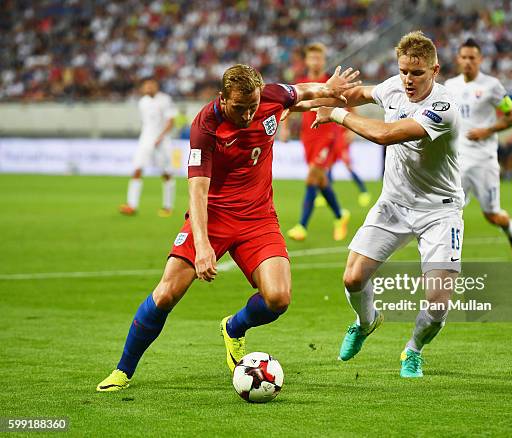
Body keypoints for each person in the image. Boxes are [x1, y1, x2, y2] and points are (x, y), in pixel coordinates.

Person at [97, 64, 360, 391]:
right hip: (213, 215)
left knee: (278, 298)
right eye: (239, 107)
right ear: (222, 98)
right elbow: (197, 190)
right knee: (166, 294)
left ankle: (234, 328)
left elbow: (299, 94)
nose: (248, 115)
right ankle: (123, 370)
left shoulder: (270, 97)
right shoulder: (205, 126)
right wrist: (204, 246)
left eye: (253, 106)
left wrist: (326, 88)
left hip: (258, 217)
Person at [306, 31, 464, 378]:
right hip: (394, 202)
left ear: (435, 70)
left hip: (440, 211)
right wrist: (325, 92)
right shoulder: (395, 85)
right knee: (352, 277)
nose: (409, 79)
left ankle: (413, 350)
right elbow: (360, 93)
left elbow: (386, 134)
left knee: (438, 303)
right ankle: (366, 322)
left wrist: (334, 114)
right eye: (404, 70)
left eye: (418, 73)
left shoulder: (445, 107)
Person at [445, 39, 512, 265]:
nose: (468, 62)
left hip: (484, 160)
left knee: (492, 214)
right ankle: (447, 261)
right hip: (458, 160)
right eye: (464, 57)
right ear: (458, 59)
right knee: (449, 210)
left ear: (480, 60)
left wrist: (487, 130)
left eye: (473, 57)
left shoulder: (492, 86)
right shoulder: (450, 86)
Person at [283, 43, 352, 242]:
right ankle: (340, 215)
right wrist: (285, 128)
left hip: (327, 136)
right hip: (308, 137)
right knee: (321, 180)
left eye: (318, 58)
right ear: (306, 61)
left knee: (312, 177)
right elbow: (291, 105)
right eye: (311, 58)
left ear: (323, 60)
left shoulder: (329, 81)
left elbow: (347, 102)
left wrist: (348, 128)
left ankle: (302, 226)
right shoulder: (302, 82)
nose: (314, 61)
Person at [119, 78, 178, 217]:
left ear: (156, 86)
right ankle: (131, 205)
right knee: (137, 169)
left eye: (151, 85)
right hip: (145, 140)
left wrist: (161, 137)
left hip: (162, 141)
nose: (149, 87)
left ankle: (167, 207)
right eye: (146, 85)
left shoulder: (165, 100)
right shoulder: (143, 102)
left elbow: (171, 121)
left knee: (166, 173)